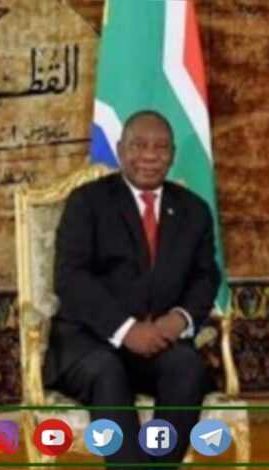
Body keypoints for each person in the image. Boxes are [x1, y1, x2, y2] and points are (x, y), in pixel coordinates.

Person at [44, 110, 220, 467]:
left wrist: (178, 320)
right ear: (121, 150)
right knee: (107, 371)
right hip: (90, 342)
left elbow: (205, 277)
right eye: (139, 146)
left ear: (172, 155)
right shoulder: (87, 202)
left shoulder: (194, 210)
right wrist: (126, 330)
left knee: (187, 367)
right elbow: (70, 278)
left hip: (158, 340)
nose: (150, 156)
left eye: (161, 147)